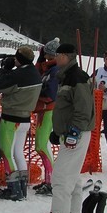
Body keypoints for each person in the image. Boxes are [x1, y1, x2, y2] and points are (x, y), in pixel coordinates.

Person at [39, 43, 95, 213]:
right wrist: (58, 131)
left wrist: (74, 131)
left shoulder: (76, 77)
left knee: (61, 175)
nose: (55, 57)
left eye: (58, 54)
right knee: (72, 175)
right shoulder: (68, 76)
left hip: (76, 133)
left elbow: (84, 109)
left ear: (66, 56)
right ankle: (73, 212)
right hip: (70, 132)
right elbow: (67, 108)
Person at [0, 46, 41, 201]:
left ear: (19, 59)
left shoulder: (18, 74)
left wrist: (5, 69)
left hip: (11, 118)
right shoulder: (35, 73)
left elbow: (0, 85)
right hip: (26, 119)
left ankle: (14, 190)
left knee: (7, 153)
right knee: (18, 152)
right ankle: (22, 188)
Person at [31, 38, 60, 196]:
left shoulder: (55, 70)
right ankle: (49, 180)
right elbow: (37, 76)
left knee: (41, 145)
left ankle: (51, 181)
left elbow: (51, 94)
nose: (46, 58)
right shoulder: (48, 68)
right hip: (43, 110)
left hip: (48, 109)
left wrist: (37, 95)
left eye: (48, 56)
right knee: (41, 145)